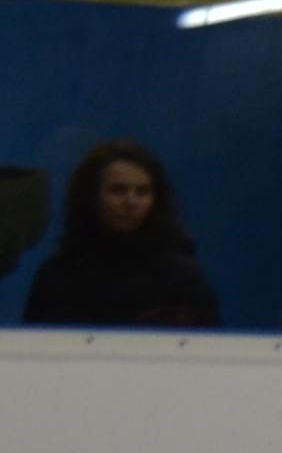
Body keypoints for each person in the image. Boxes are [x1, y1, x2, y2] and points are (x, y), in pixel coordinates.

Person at [19, 140, 221, 326]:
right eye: (118, 190)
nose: (131, 202)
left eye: (142, 191)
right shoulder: (59, 274)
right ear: (92, 196)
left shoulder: (183, 278)